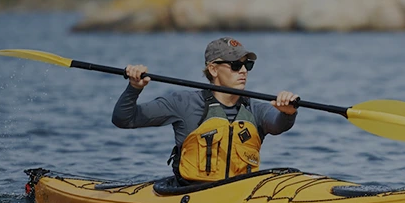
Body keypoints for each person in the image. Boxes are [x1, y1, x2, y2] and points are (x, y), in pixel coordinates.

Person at [112, 37, 299, 184]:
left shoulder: (256, 109)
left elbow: (278, 124)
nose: (243, 71)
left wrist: (288, 112)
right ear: (213, 69)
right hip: (193, 193)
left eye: (247, 65)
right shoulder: (183, 103)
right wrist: (134, 88)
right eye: (235, 65)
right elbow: (124, 119)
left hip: (242, 195)